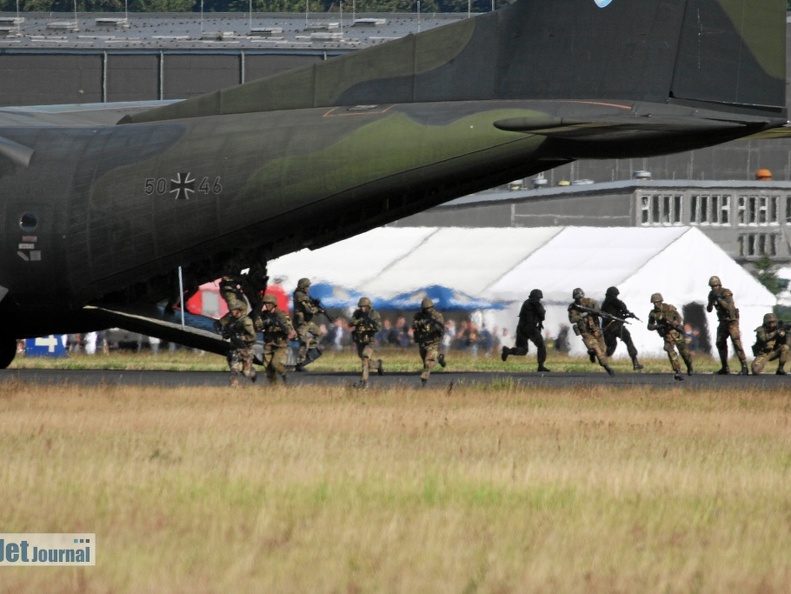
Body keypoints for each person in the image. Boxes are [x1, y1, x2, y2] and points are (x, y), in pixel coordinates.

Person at [707, 275, 748, 375]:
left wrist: (719, 299)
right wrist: (711, 301)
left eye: (716, 286)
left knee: (736, 342)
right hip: (723, 321)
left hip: (732, 321)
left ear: (720, 285)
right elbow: (709, 309)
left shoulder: (726, 293)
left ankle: (744, 367)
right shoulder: (712, 294)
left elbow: (728, 308)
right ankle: (725, 367)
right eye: (713, 286)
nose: (714, 288)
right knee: (720, 342)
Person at [567, 288, 614, 376]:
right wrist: (583, 315)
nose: (580, 300)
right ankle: (607, 367)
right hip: (586, 332)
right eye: (577, 299)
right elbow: (572, 319)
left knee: (603, 349)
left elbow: (598, 310)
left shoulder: (590, 302)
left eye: (580, 298)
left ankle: (592, 353)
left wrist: (598, 313)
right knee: (597, 349)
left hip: (596, 329)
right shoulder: (573, 307)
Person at [647, 292, 693, 381]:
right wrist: (657, 327)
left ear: (661, 301)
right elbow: (649, 326)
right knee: (670, 351)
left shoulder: (669, 308)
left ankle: (689, 365)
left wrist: (673, 323)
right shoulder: (653, 313)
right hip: (667, 336)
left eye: (657, 302)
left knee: (685, 353)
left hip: (676, 334)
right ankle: (677, 371)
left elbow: (679, 318)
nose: (656, 304)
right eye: (654, 303)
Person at [501, 288, 550, 372]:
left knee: (523, 349)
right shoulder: (535, 303)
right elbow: (542, 313)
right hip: (530, 328)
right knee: (541, 345)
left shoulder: (526, 303)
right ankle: (541, 365)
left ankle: (508, 351)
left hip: (521, 328)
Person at [214, 299, 257, 387]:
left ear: (238, 310)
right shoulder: (230, 319)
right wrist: (224, 333)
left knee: (246, 373)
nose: (231, 311)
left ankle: (252, 372)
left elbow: (253, 337)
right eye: (230, 310)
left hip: (245, 349)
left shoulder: (246, 321)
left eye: (233, 310)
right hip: (234, 348)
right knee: (234, 370)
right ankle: (234, 386)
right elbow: (220, 324)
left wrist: (241, 338)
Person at [255, 293, 295, 385]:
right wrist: (266, 323)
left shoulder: (282, 315)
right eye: (266, 303)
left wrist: (279, 327)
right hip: (268, 344)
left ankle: (284, 375)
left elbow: (289, 329)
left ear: (274, 304)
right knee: (268, 367)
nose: (268, 305)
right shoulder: (263, 315)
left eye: (270, 303)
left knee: (276, 364)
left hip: (280, 344)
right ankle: (273, 387)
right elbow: (257, 326)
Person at [601, 286, 643, 370]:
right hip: (616, 327)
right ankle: (635, 363)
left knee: (611, 347)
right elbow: (622, 306)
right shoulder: (613, 301)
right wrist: (627, 312)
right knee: (628, 341)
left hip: (607, 329)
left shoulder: (604, 304)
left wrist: (626, 315)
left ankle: (601, 358)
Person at [348, 297, 384, 389]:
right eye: (361, 307)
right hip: (359, 340)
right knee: (365, 360)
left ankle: (364, 381)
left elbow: (378, 328)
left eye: (364, 307)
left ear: (368, 306)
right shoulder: (357, 313)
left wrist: (369, 325)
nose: (362, 309)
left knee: (365, 357)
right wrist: (359, 321)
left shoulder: (374, 314)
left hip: (369, 341)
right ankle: (378, 365)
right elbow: (350, 323)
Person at [411, 297, 447, 386]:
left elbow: (441, 328)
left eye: (429, 308)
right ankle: (438, 359)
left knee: (428, 363)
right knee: (425, 362)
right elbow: (414, 325)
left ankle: (424, 379)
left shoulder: (437, 316)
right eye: (426, 309)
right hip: (422, 342)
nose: (428, 310)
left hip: (433, 342)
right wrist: (421, 323)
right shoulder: (418, 316)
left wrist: (434, 326)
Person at [292, 277, 324, 371]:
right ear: (303, 287)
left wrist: (315, 306)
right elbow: (308, 309)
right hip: (301, 323)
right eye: (307, 286)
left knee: (319, 333)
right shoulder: (300, 295)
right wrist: (317, 310)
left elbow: (310, 306)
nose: (308, 288)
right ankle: (300, 363)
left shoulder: (305, 295)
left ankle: (311, 349)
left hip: (307, 322)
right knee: (303, 342)